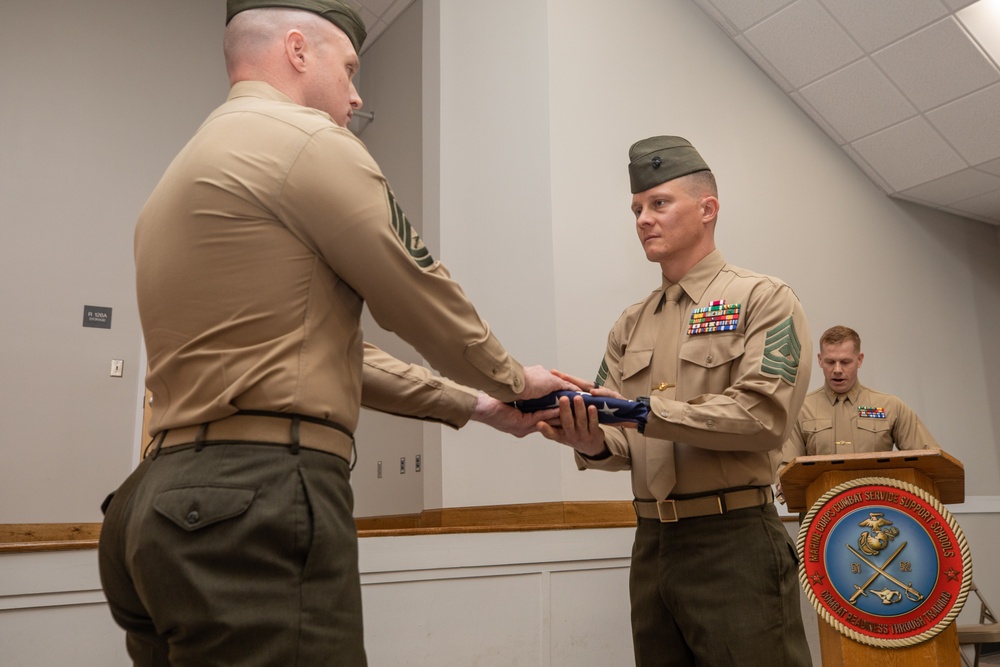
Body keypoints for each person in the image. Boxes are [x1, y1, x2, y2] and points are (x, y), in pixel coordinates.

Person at [98, 2, 571, 665]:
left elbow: (331, 353)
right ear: (297, 50)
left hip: (151, 507)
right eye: (349, 67)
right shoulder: (309, 144)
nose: (356, 94)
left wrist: (478, 407)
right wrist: (516, 379)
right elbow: (420, 295)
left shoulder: (177, 179)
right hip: (254, 500)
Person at [538, 136, 814, 666]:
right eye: (637, 208)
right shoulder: (631, 322)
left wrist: (643, 413)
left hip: (732, 542)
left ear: (707, 209)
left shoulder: (762, 298)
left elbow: (763, 417)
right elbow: (621, 440)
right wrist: (588, 436)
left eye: (659, 204)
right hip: (651, 545)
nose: (643, 219)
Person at [776, 325, 940, 474]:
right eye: (830, 362)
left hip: (876, 504)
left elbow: (930, 460)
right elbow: (786, 469)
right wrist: (783, 481)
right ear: (820, 360)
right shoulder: (801, 409)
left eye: (845, 362)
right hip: (821, 505)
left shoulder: (889, 407)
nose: (837, 370)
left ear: (859, 360)